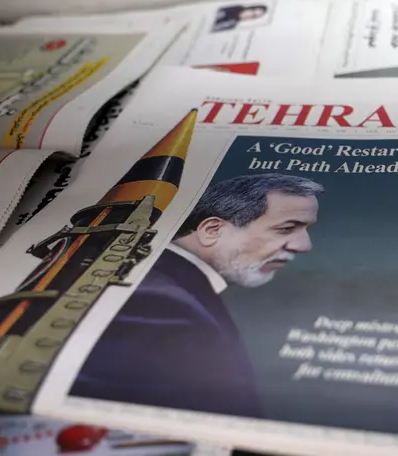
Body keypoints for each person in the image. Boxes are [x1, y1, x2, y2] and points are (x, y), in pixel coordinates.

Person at [71, 173, 323, 418]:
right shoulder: (162, 304)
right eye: (286, 228)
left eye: (306, 229)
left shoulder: (167, 285)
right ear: (212, 230)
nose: (304, 246)